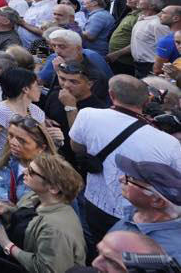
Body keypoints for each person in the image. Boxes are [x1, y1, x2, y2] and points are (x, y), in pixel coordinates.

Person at [70, 75, 181, 246]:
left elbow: (76, 147)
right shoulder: (169, 143)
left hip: (96, 204)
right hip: (144, 216)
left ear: (111, 95)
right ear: (146, 101)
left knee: (100, 250)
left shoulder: (87, 115)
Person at [0, 152, 86, 273]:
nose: (24, 171)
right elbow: (30, 217)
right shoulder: (35, 197)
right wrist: (7, 210)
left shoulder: (55, 229)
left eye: (31, 171)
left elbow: (46, 269)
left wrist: (6, 243)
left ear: (53, 188)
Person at [109, 153, 181, 260]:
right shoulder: (134, 214)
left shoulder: (172, 251)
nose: (121, 179)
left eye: (131, 179)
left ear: (157, 201)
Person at [0, 68, 51, 156]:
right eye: (37, 85)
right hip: (5, 165)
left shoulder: (35, 110)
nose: (40, 89)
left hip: (30, 163)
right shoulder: (1, 112)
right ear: (26, 89)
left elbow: (42, 141)